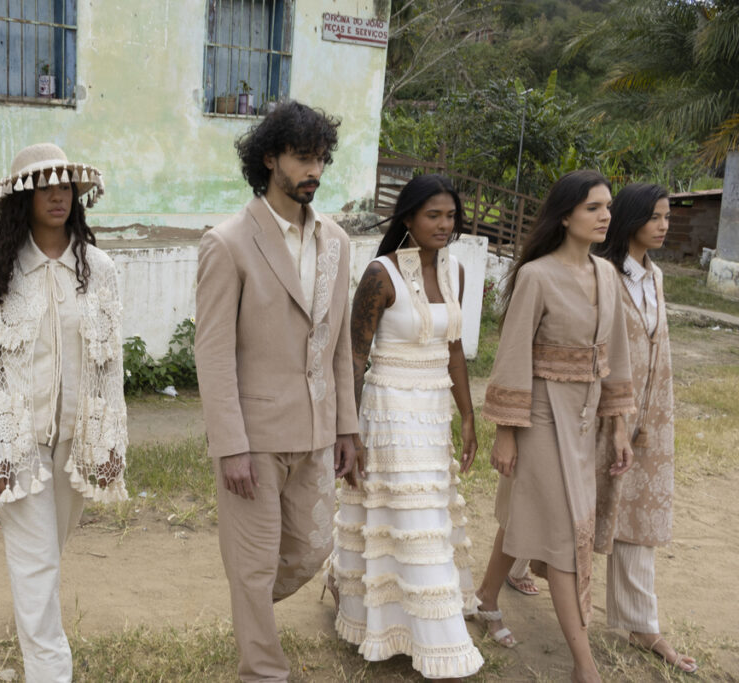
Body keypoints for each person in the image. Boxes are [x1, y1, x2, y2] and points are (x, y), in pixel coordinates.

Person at [194, 100, 360, 682]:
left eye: (321, 158)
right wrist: (229, 444)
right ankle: (263, 670)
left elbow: (339, 344)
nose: (314, 169)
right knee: (254, 563)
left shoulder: (337, 243)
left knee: (311, 551)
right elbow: (212, 352)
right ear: (269, 159)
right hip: (254, 437)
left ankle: (251, 607)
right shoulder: (228, 243)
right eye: (302, 157)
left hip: (315, 430)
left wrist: (347, 427)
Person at [0, 142, 127, 683]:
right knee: (34, 563)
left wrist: (106, 437)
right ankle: (49, 671)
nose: (58, 194)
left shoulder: (98, 269)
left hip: (78, 440)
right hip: (18, 441)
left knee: (46, 557)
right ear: (23, 198)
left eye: (65, 185)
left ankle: (33, 623)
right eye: (45, 186)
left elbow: (110, 362)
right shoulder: (3, 271)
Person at [474, 170, 635, 683]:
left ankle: (484, 598)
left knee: (530, 512)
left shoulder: (608, 275)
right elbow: (514, 350)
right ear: (565, 216)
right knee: (564, 531)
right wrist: (505, 428)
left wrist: (619, 425)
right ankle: (583, 664)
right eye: (593, 207)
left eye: (607, 206)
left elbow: (617, 357)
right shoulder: (537, 275)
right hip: (540, 415)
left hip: (586, 418)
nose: (605, 216)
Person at [325, 174, 484, 679]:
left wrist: (468, 416)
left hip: (433, 408)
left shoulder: (456, 270)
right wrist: (347, 431)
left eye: (451, 216)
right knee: (405, 517)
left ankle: (387, 615)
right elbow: (353, 354)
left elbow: (454, 347)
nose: (444, 225)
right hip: (389, 409)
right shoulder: (380, 274)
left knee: (427, 513)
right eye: (433, 215)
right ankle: (436, 644)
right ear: (409, 220)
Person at [592, 183, 697, 673]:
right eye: (656, 216)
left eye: (667, 217)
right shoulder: (603, 275)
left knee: (636, 516)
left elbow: (658, 351)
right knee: (569, 500)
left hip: (647, 419)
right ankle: (518, 568)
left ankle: (641, 623)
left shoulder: (654, 278)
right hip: (597, 414)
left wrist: (651, 415)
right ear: (631, 219)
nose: (664, 225)